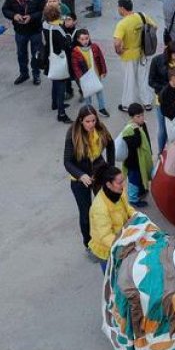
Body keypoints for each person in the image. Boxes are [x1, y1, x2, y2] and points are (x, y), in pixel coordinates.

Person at [63, 105, 114, 251]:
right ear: (80, 121)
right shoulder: (72, 134)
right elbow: (67, 161)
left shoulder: (100, 128)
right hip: (80, 178)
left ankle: (108, 235)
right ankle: (88, 244)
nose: (91, 124)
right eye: (88, 122)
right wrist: (81, 175)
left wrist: (110, 167)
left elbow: (110, 145)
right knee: (86, 212)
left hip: (99, 170)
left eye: (93, 120)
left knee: (106, 205)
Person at [88, 166, 136, 269]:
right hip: (107, 250)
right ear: (109, 185)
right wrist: (124, 246)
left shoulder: (119, 192)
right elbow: (106, 236)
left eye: (123, 181)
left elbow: (127, 208)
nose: (123, 185)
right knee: (112, 280)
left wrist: (137, 217)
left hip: (121, 240)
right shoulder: (100, 208)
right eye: (119, 183)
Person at [113, 0, 155, 113]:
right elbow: (154, 27)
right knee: (143, 78)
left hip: (128, 55)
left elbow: (117, 42)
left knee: (129, 80)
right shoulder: (142, 16)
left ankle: (127, 104)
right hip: (143, 52)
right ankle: (147, 103)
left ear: (122, 8)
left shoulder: (122, 24)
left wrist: (119, 50)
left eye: (118, 7)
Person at [2, 0, 45, 85]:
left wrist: (32, 17)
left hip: (35, 30)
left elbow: (43, 11)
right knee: (21, 53)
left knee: (36, 54)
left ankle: (36, 74)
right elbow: (5, 10)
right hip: (20, 30)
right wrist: (14, 16)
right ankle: (24, 74)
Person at [41, 2, 72, 123]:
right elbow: (67, 43)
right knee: (61, 85)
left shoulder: (45, 25)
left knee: (54, 81)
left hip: (49, 57)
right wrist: (68, 34)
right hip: (59, 59)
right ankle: (61, 113)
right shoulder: (58, 29)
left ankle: (54, 103)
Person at [117, 104, 152, 207]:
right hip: (133, 162)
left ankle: (141, 191)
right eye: (138, 116)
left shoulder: (142, 124)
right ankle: (133, 199)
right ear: (132, 117)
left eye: (142, 115)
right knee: (134, 181)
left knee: (141, 177)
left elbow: (147, 139)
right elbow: (136, 144)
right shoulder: (128, 130)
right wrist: (136, 130)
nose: (141, 118)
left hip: (141, 160)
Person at [69, 28, 109, 114]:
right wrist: (81, 77)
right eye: (82, 39)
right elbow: (75, 66)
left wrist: (103, 71)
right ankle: (88, 109)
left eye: (86, 38)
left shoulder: (94, 47)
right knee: (87, 94)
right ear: (78, 40)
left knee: (99, 91)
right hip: (85, 77)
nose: (85, 41)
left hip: (96, 73)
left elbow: (101, 59)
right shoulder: (75, 51)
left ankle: (102, 108)